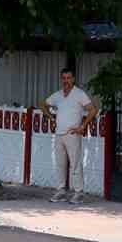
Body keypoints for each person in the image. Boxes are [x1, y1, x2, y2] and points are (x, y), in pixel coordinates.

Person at [43, 68, 97, 203]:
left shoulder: (79, 94)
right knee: (60, 164)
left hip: (72, 134)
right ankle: (61, 190)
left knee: (75, 163)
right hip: (59, 133)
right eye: (64, 78)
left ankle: (79, 192)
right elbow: (43, 104)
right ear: (61, 79)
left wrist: (82, 126)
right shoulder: (58, 95)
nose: (66, 81)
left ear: (73, 79)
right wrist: (51, 118)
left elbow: (92, 110)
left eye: (68, 78)